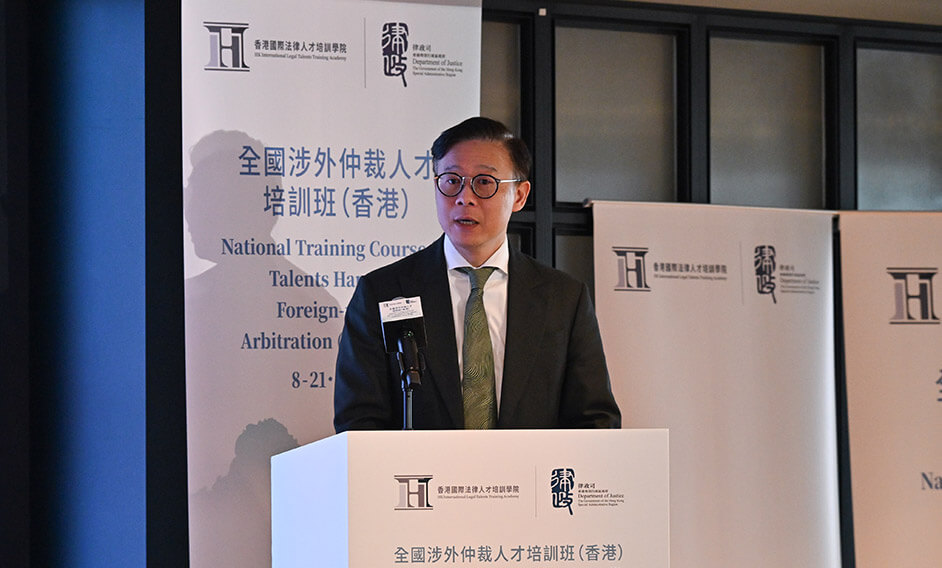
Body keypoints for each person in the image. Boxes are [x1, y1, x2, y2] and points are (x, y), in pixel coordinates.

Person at [333, 117, 620, 431]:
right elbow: (358, 422)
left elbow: (595, 421)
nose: (464, 197)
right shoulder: (383, 292)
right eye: (451, 180)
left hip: (529, 465)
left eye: (484, 182)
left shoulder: (563, 299)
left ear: (520, 195)